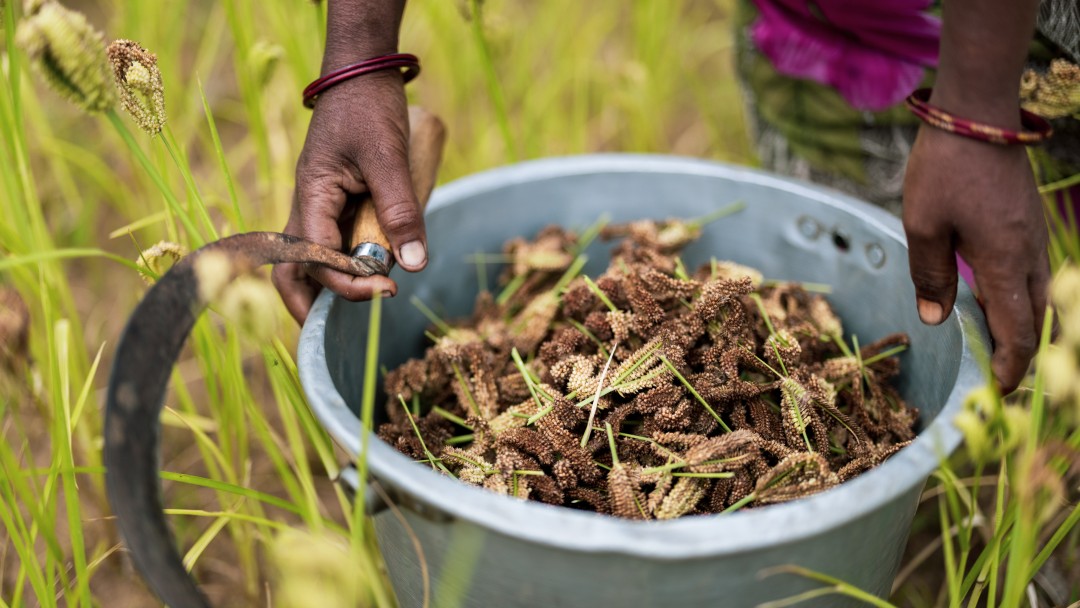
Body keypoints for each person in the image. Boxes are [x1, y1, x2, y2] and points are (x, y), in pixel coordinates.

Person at [272, 0, 1078, 394]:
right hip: (835, 24)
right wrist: (359, 58)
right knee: (879, 306)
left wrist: (975, 109)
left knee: (1047, 319)